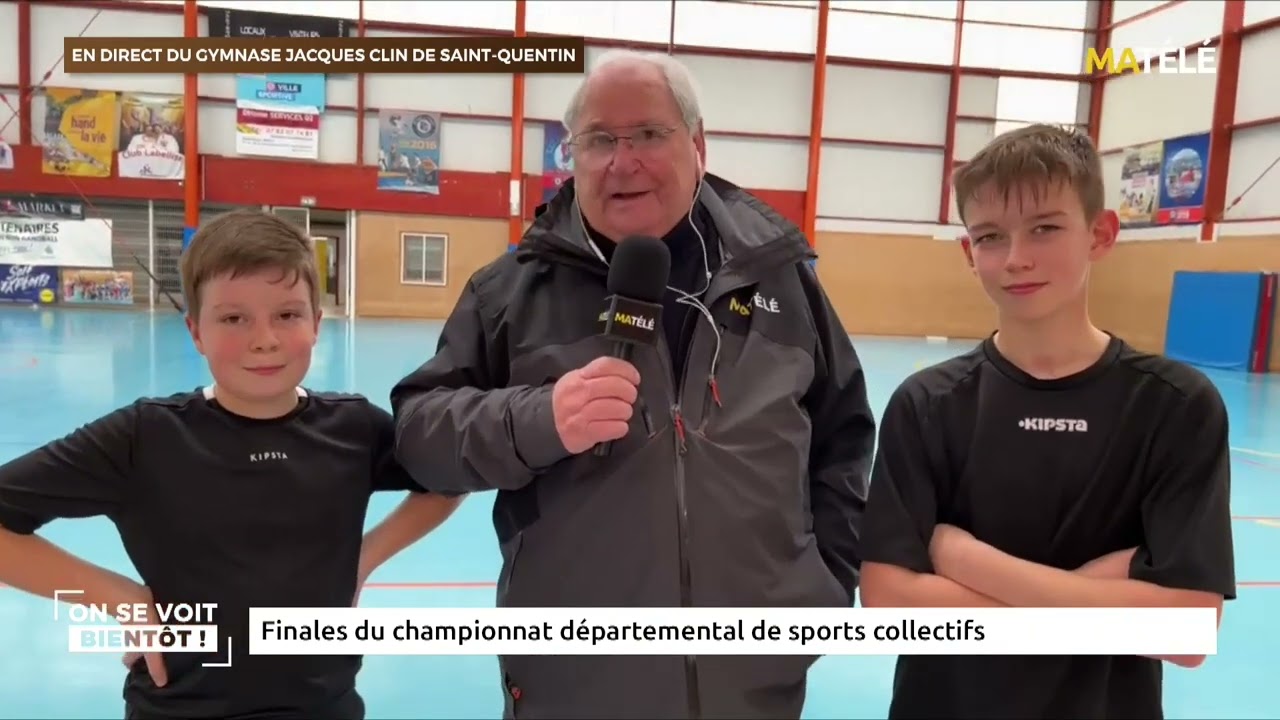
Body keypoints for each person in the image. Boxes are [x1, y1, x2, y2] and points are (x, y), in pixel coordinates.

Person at [390, 50, 876, 719]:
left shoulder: (780, 277)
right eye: (599, 140)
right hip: (575, 684)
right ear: (572, 156)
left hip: (753, 683)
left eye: (648, 134)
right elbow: (419, 433)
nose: (623, 162)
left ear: (698, 145)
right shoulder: (510, 293)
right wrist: (537, 420)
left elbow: (844, 434)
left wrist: (823, 588)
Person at [0, 209, 464, 720]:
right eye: (233, 319)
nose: (264, 339)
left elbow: (451, 474)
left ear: (316, 323)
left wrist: (364, 557)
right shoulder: (144, 436)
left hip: (324, 708)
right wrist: (120, 597)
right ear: (195, 331)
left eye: (286, 315)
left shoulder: (354, 427)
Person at [858, 124, 1235, 719]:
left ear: (1100, 233)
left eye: (1045, 228)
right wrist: (1100, 592)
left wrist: (968, 561)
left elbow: (1186, 631)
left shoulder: (1175, 406)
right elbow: (888, 603)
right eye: (990, 236)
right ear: (968, 253)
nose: (1016, 259)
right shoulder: (927, 404)